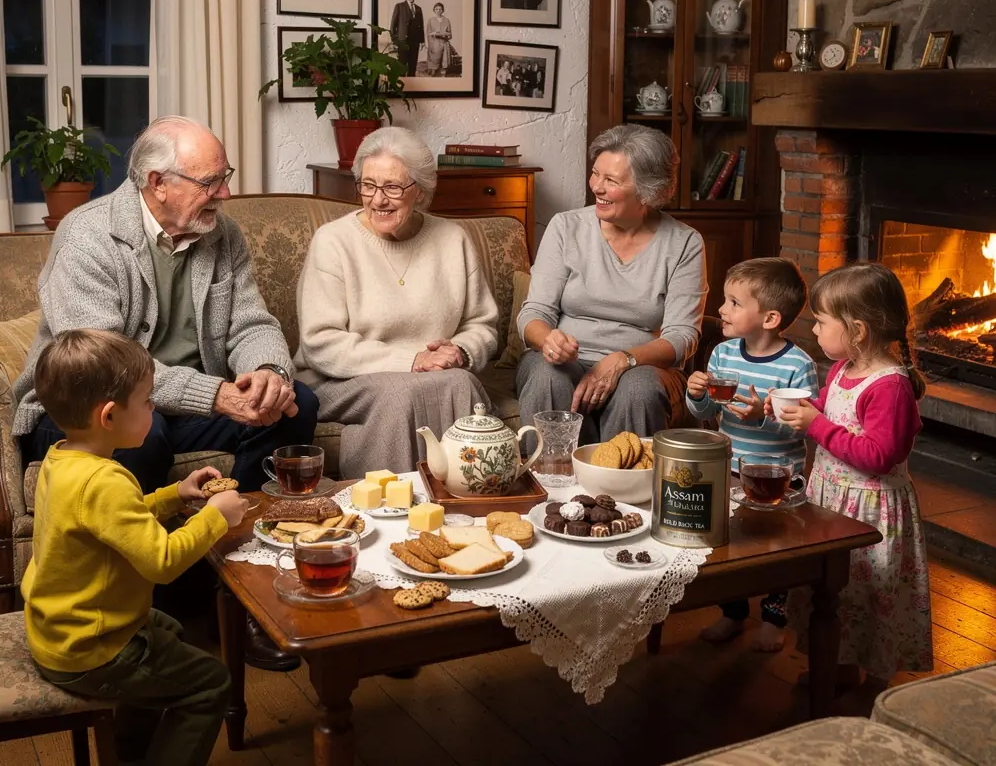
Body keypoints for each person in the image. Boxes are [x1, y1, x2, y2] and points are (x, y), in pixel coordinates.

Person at [13, 115, 318, 671]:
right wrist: (217, 395)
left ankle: (246, 595)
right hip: (94, 407)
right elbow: (107, 368)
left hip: (175, 401)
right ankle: (158, 604)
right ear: (158, 183)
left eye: (225, 176)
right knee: (142, 438)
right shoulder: (88, 234)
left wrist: (267, 372)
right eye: (211, 181)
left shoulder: (221, 233)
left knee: (296, 407)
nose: (225, 193)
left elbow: (252, 321)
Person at [22, 329, 248, 766]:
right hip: (92, 649)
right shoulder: (104, 480)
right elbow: (162, 562)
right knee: (211, 683)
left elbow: (114, 522)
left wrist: (174, 495)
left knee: (169, 630)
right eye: (147, 401)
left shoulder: (62, 459)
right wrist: (215, 518)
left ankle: (129, 752)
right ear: (109, 416)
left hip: (58, 630)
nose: (154, 407)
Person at [294, 128, 498, 476]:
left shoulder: (453, 239)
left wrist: (460, 352)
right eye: (368, 185)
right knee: (400, 393)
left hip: (435, 376)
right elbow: (320, 343)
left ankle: (468, 504)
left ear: (420, 191)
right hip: (342, 380)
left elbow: (482, 325)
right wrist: (413, 359)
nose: (377, 200)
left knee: (461, 383)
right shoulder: (333, 241)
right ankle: (387, 511)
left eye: (392, 187)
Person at [771, 262, 933, 691]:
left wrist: (815, 426)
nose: (816, 331)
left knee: (869, 592)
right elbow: (828, 410)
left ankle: (872, 677)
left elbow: (879, 455)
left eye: (822, 322)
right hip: (832, 501)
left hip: (870, 510)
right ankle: (835, 663)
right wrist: (789, 407)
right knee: (835, 591)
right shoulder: (845, 368)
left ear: (857, 330)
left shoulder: (890, 387)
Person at [516, 125, 706, 443]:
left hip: (642, 366)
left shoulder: (684, 243)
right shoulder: (566, 227)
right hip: (564, 363)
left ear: (648, 190)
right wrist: (548, 339)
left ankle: (622, 491)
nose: (597, 188)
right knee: (546, 376)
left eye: (612, 181)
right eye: (595, 174)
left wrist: (623, 359)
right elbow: (533, 313)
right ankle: (547, 485)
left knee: (639, 388)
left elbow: (682, 337)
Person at [686, 258, 819, 652]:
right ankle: (733, 612)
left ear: (770, 318)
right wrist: (696, 396)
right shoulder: (723, 354)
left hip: (780, 478)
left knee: (775, 547)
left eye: (733, 302)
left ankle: (775, 618)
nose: (722, 310)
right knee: (730, 542)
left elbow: (803, 426)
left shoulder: (798, 366)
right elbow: (710, 413)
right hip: (730, 470)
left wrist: (764, 419)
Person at [389, 0, 425, 76]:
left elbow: (421, 26)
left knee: (412, 69)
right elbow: (393, 25)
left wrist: (422, 41)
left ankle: (411, 89)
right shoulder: (399, 6)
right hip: (403, 42)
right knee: (402, 67)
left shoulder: (418, 9)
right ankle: (401, 89)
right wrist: (394, 41)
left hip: (414, 43)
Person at [426, 1, 452, 76]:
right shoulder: (431, 20)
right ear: (434, 10)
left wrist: (446, 35)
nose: (438, 11)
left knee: (444, 60)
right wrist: (433, 34)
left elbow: (450, 34)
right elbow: (428, 33)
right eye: (436, 9)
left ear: (443, 10)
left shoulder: (447, 20)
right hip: (434, 43)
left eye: (440, 9)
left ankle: (443, 71)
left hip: (444, 43)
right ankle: (433, 70)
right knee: (434, 59)